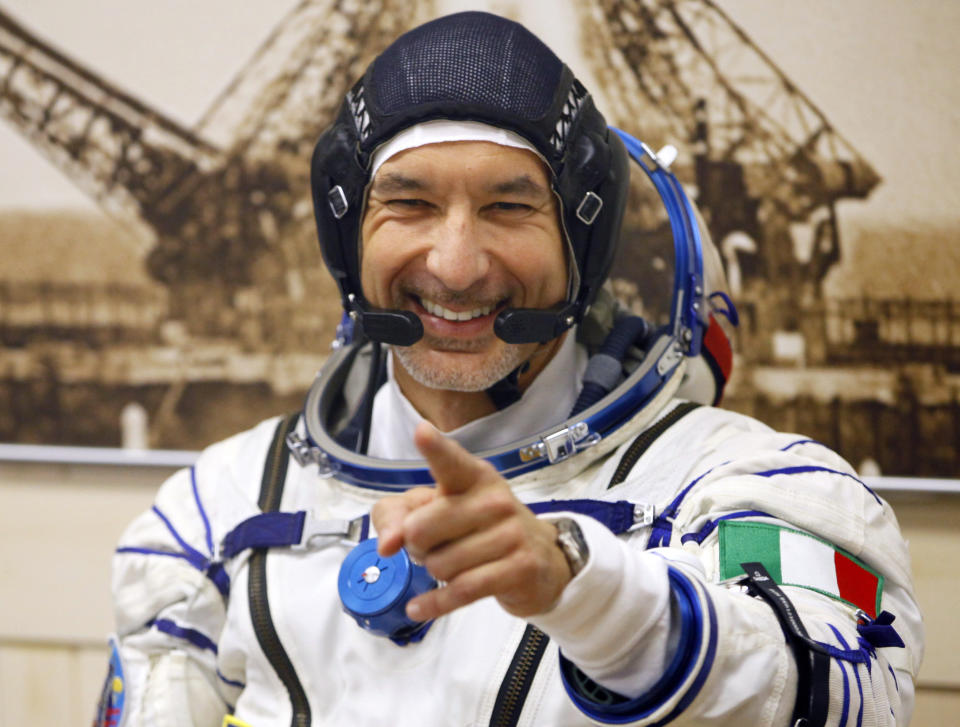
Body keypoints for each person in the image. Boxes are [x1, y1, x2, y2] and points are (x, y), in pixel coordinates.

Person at [97, 11, 922, 727]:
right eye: (409, 204)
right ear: (349, 235)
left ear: (582, 244)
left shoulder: (746, 485)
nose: (455, 267)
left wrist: (595, 595)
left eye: (510, 206)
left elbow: (849, 693)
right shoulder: (219, 511)